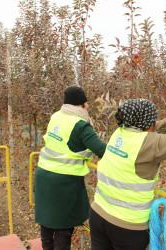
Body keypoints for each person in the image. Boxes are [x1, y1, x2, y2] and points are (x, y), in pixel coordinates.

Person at [89, 97, 166, 250]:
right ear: (149, 123)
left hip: (98, 214)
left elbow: (146, 129)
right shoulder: (147, 143)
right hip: (127, 226)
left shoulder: (119, 133)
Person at [35, 86, 106, 250]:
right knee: (63, 230)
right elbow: (102, 150)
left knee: (46, 225)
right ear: (79, 106)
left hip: (43, 176)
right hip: (64, 183)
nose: (88, 106)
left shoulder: (56, 116)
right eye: (85, 103)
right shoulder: (81, 125)